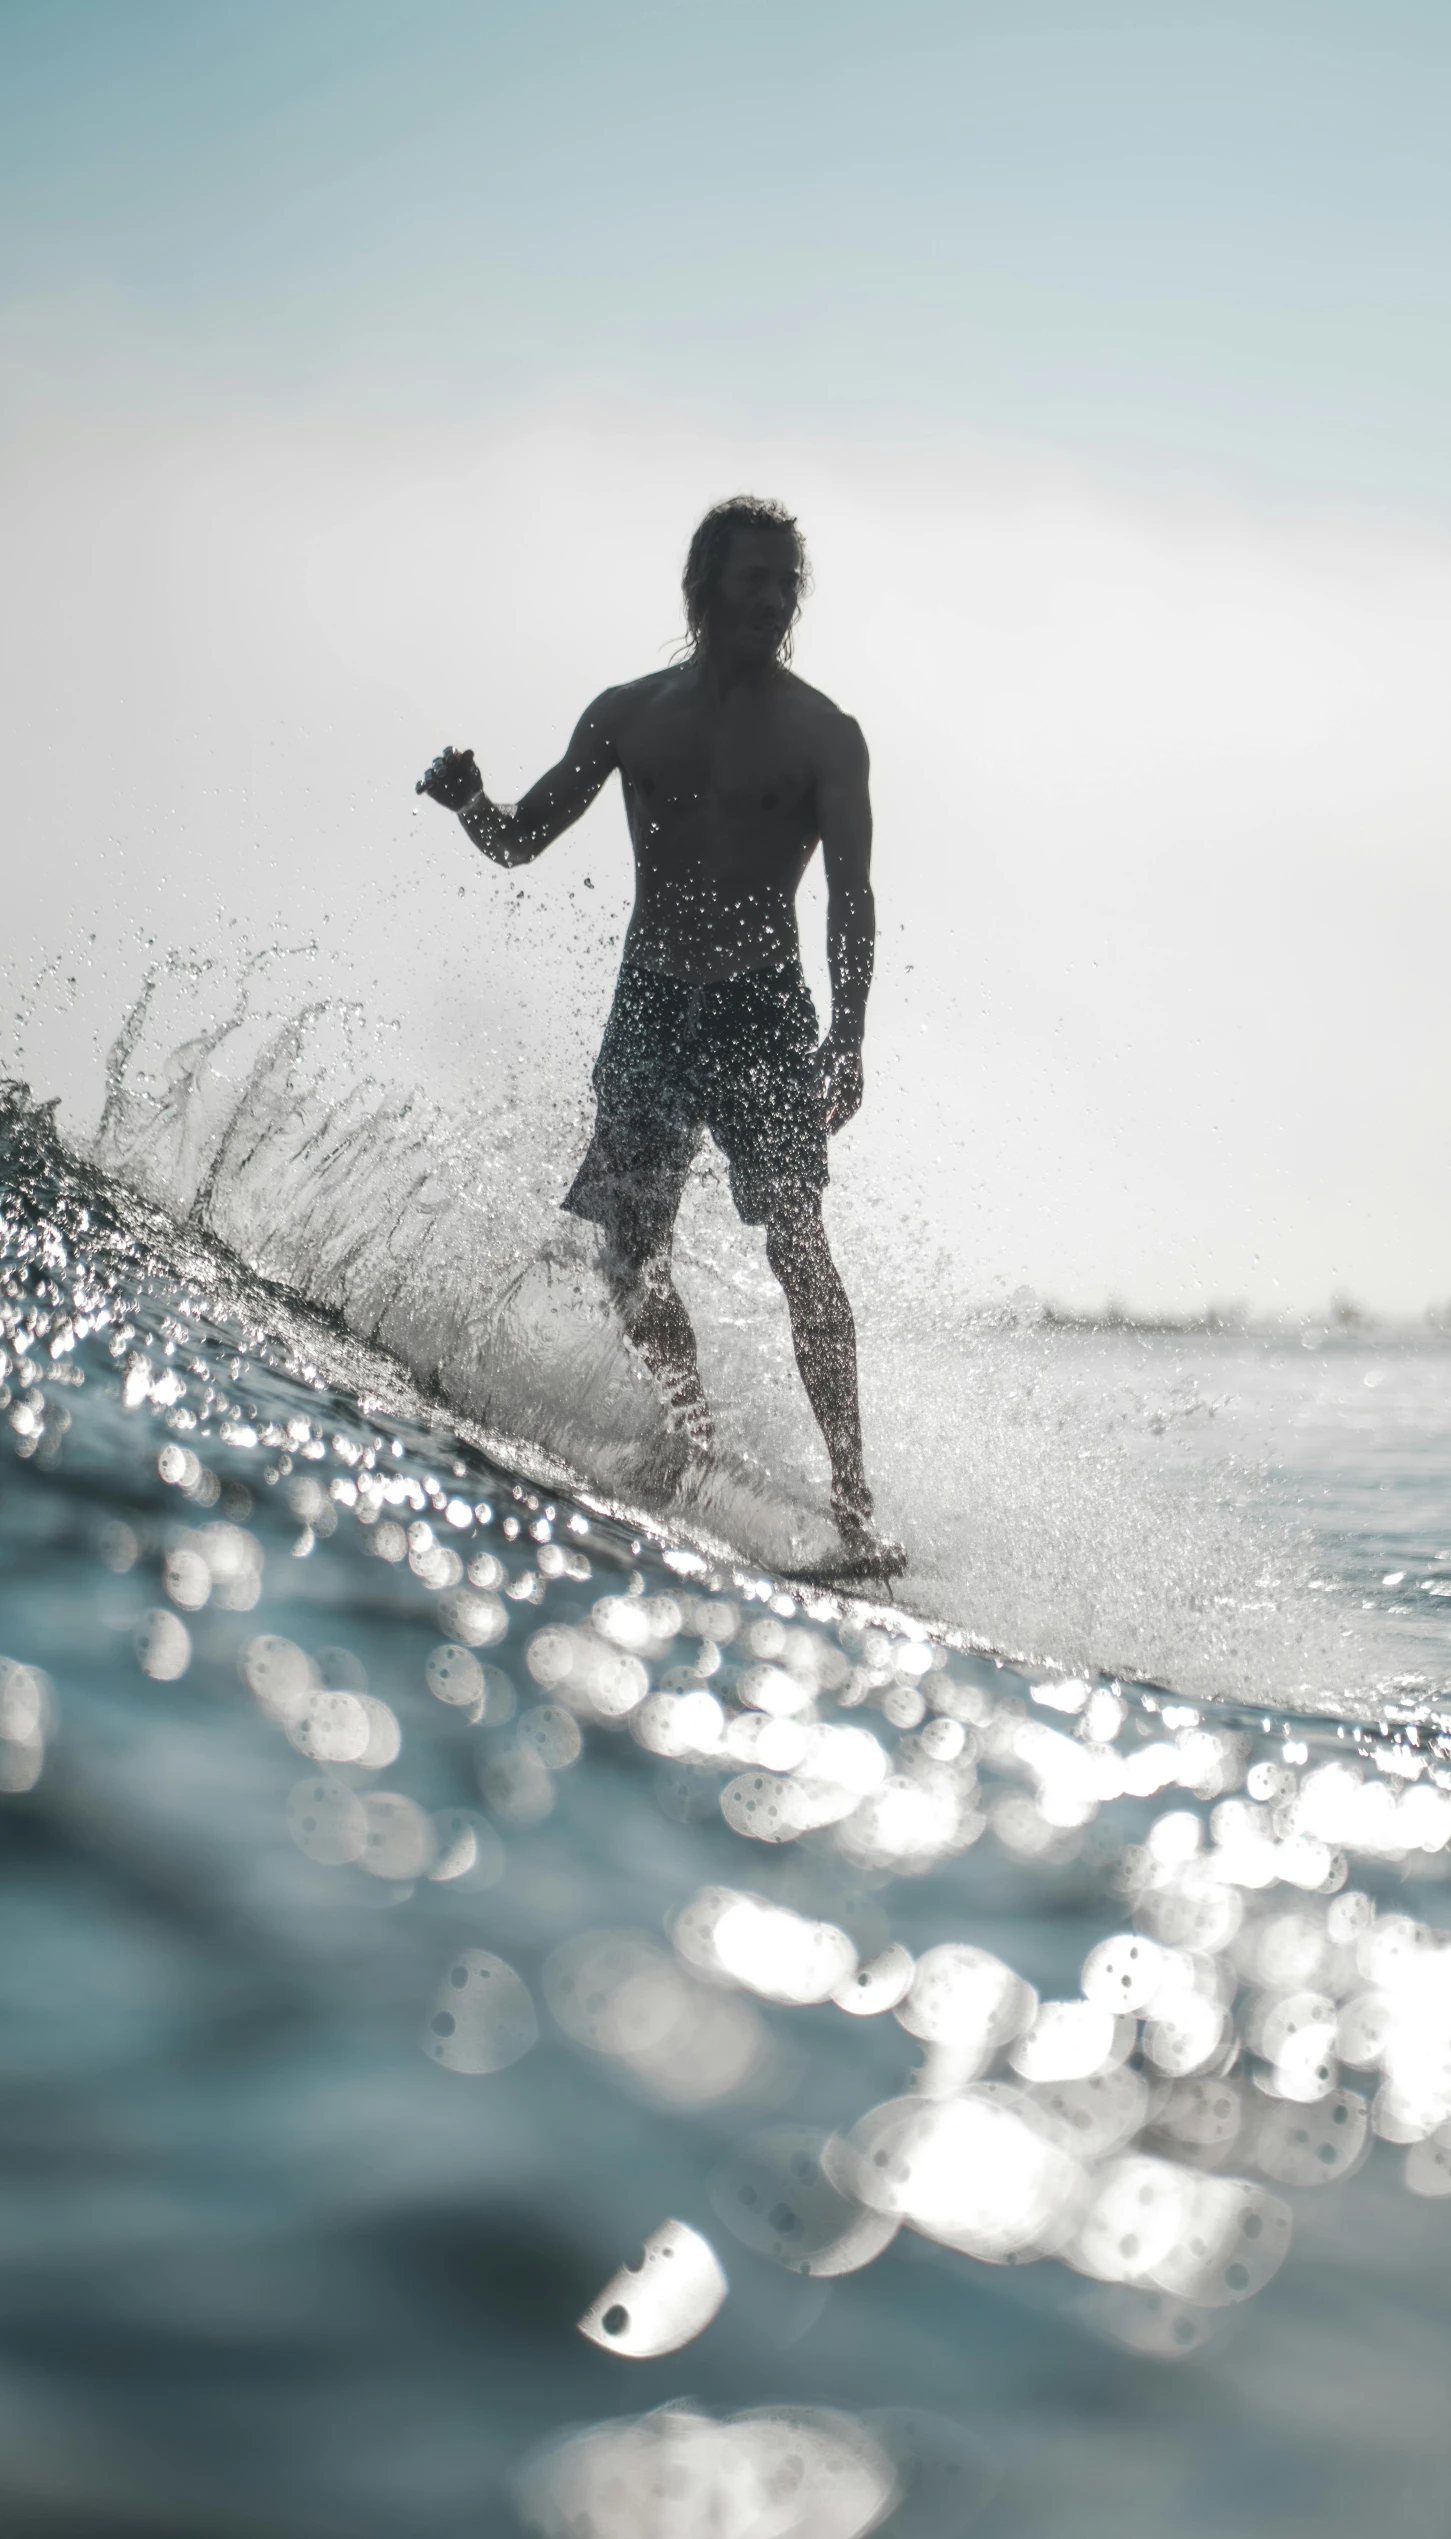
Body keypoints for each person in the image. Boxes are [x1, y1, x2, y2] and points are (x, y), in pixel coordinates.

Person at [417, 495, 900, 1577]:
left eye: (786, 584)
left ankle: (854, 1504)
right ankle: (692, 1444)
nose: (771, 602)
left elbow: (852, 899)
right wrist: (468, 805)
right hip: (652, 1006)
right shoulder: (630, 715)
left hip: (764, 1015)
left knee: (798, 1247)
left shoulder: (824, 734)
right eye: (751, 582)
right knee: (630, 1255)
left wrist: (850, 1035)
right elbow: (520, 839)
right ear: (701, 592)